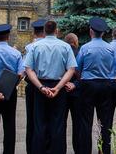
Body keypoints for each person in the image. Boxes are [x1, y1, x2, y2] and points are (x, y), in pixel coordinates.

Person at [24, 20, 77, 154]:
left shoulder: (35, 46)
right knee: (58, 123)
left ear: (44, 30)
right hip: (58, 86)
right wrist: (59, 87)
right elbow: (71, 69)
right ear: (56, 30)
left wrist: (41, 87)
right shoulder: (65, 47)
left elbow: (29, 69)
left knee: (39, 123)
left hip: (40, 85)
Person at [75, 17, 116, 154]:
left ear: (91, 31)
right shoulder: (110, 49)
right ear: (103, 33)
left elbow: (77, 68)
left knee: (85, 121)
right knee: (105, 121)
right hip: (106, 85)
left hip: (88, 85)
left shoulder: (85, 48)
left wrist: (81, 78)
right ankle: (104, 150)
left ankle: (84, 151)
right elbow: (115, 69)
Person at [0, 23, 24, 154]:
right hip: (10, 92)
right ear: (8, 36)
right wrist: (8, 88)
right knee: (9, 124)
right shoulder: (16, 53)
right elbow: (20, 74)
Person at [24, 19, 46, 154]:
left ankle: (32, 149)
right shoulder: (54, 45)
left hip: (33, 86)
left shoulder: (29, 47)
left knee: (32, 119)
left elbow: (24, 69)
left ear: (34, 32)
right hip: (49, 84)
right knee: (47, 118)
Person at [63, 32, 84, 154]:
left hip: (62, 91)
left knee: (61, 123)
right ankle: (79, 150)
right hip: (78, 93)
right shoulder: (81, 52)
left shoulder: (62, 52)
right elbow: (84, 73)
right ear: (76, 42)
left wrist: (65, 83)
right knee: (78, 124)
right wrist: (75, 84)